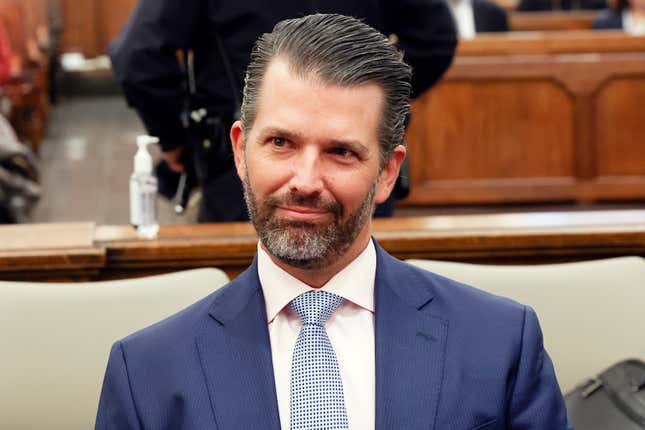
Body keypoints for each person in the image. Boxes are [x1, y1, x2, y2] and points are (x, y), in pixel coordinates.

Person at [96, 14, 571, 429]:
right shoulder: (146, 373)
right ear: (240, 151)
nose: (305, 180)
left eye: (341, 152)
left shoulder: (501, 343)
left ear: (387, 172)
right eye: (280, 143)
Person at [108, 0, 457, 222]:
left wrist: (177, 141)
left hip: (245, 166)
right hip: (352, 164)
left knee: (236, 317)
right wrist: (369, 107)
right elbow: (434, 41)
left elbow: (138, 57)